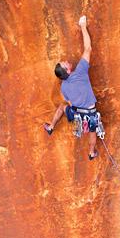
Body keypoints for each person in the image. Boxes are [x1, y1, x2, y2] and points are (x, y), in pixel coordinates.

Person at [44, 15, 100, 160]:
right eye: (65, 64)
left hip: (77, 116)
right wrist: (83, 26)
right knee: (92, 132)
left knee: (63, 106)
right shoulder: (80, 71)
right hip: (90, 113)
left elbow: (69, 102)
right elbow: (88, 48)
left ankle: (51, 126)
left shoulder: (63, 87)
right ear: (68, 71)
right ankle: (91, 152)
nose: (67, 61)